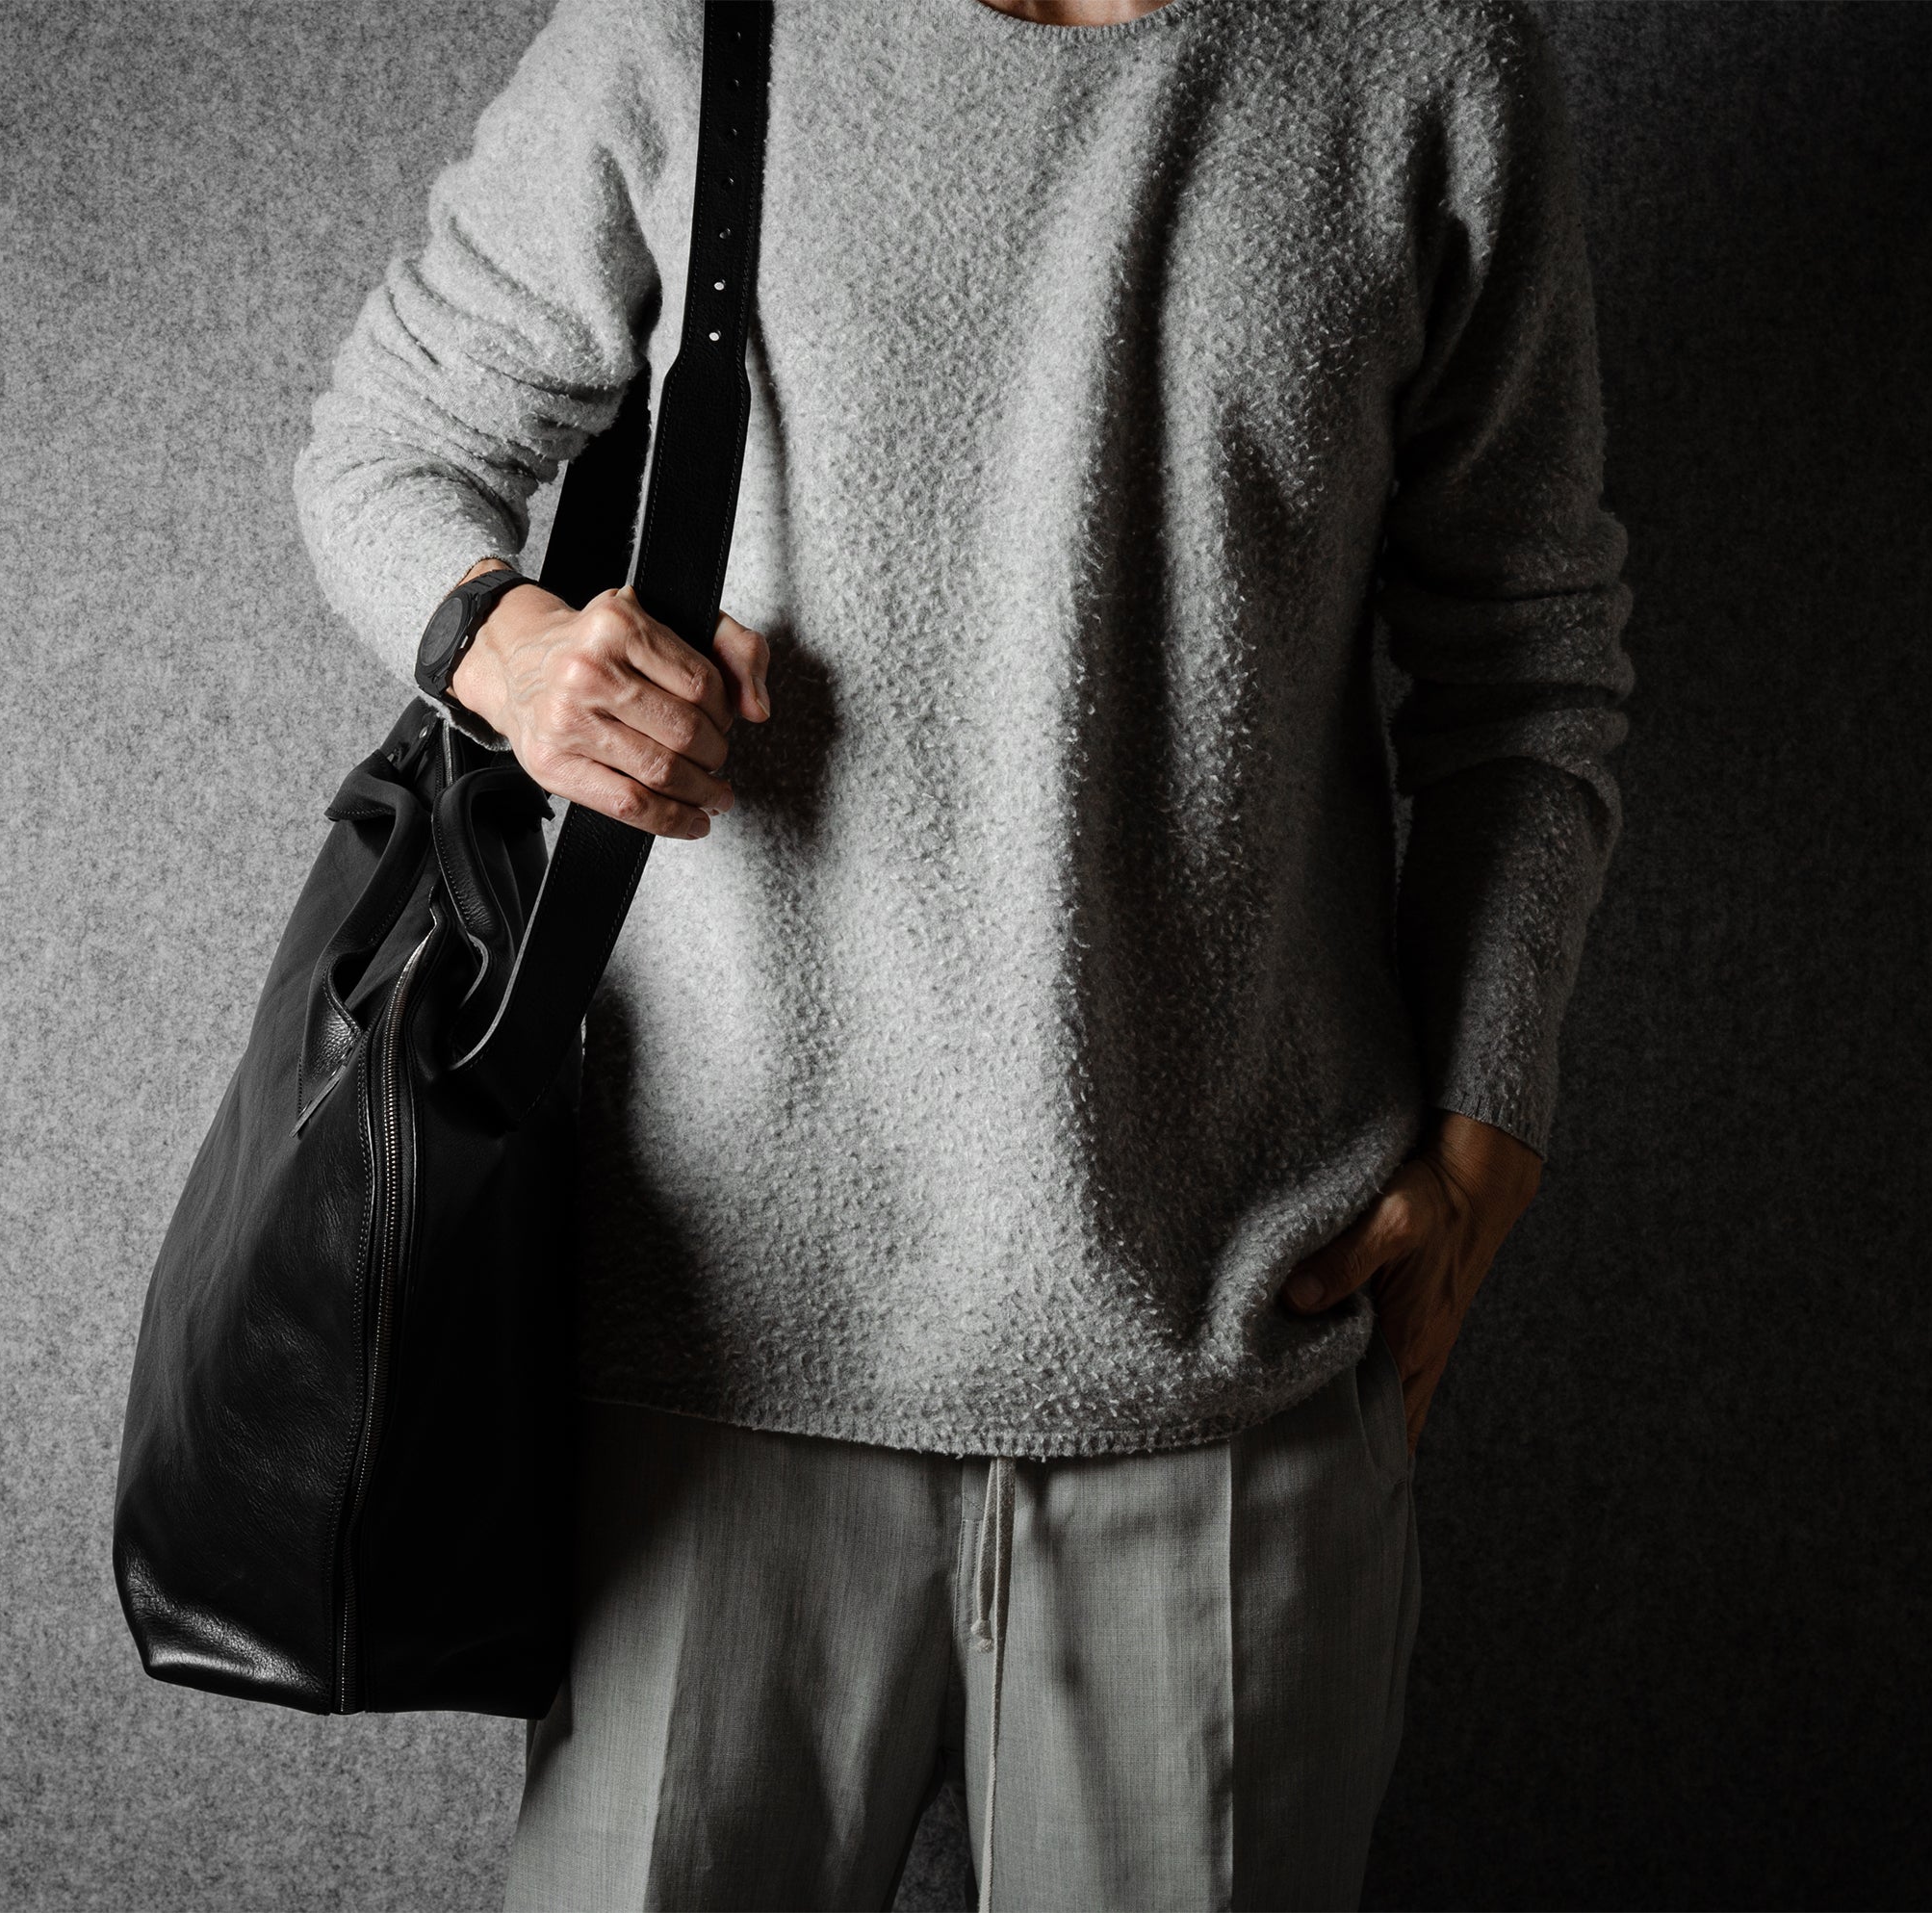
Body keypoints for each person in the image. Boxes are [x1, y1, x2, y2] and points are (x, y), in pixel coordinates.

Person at [293, 0, 1631, 1903]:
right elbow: (385, 449)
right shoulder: (698, 24)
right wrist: (522, 660)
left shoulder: (1426, 59)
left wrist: (1492, 1113)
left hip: (1226, 1367)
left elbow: (1530, 666)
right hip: (715, 1360)